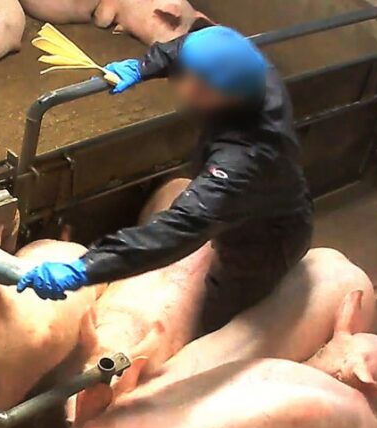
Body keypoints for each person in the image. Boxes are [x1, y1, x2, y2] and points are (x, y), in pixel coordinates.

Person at [16, 23, 313, 332]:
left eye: (185, 77)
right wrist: (142, 67)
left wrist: (86, 268)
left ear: (207, 92)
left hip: (265, 239)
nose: (177, 79)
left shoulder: (242, 161)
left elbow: (175, 231)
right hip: (273, 190)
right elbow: (187, 50)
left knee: (219, 307)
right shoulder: (252, 75)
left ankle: (209, 336)